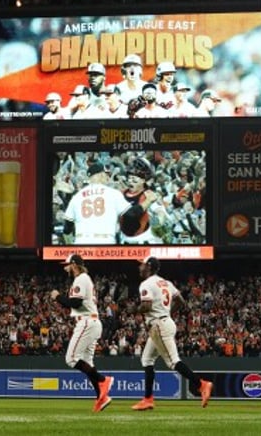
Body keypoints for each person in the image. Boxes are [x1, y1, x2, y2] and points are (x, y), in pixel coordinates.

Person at [132, 256, 213, 410]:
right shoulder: (166, 282)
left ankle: (201, 384)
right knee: (147, 359)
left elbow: (146, 305)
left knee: (173, 361)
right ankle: (148, 399)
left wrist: (134, 309)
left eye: (142, 265)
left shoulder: (146, 284)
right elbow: (181, 301)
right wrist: (166, 313)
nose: (139, 267)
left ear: (149, 266)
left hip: (159, 325)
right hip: (164, 321)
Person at [50, 253, 114, 413]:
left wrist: (57, 297)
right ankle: (101, 397)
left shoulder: (81, 279)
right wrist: (70, 267)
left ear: (74, 265)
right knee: (88, 363)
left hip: (86, 322)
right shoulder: (83, 278)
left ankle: (103, 379)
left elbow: (75, 302)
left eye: (69, 265)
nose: (67, 268)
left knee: (71, 359)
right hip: (90, 322)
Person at [63, 163, 131, 245]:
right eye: (106, 174)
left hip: (81, 243)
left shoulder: (76, 197)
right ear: (101, 175)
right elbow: (130, 215)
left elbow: (67, 228)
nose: (107, 177)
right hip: (105, 242)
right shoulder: (114, 193)